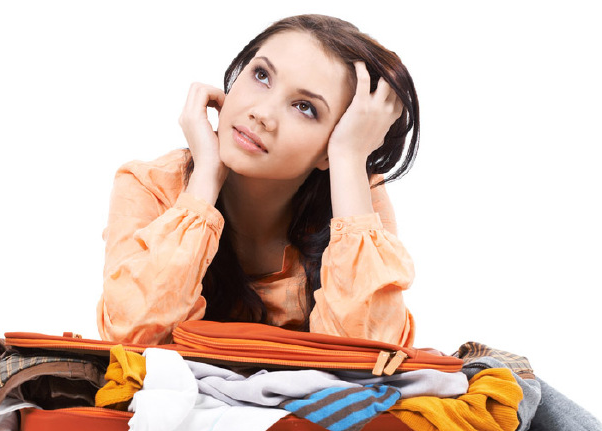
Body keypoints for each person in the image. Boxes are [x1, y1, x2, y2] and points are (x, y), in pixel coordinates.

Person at [97, 14, 419, 347]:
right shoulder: (149, 186)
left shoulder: (354, 199)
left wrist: (349, 160)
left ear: (332, 147)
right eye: (261, 75)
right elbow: (130, 336)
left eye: (304, 107)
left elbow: (369, 356)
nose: (262, 113)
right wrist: (206, 176)